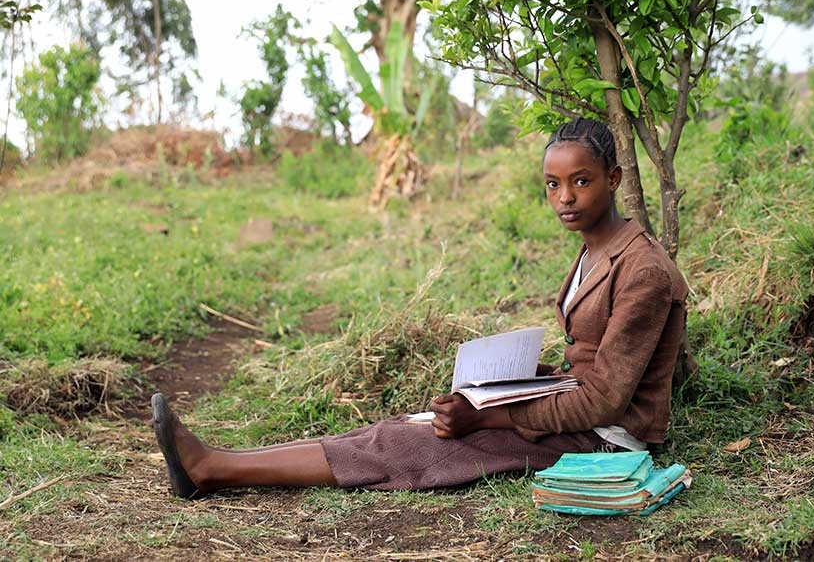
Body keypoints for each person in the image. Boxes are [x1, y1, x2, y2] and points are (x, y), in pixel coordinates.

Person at [152, 117, 690, 497]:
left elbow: (605, 403)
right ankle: (222, 462)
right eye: (553, 185)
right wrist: (509, 383)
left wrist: (492, 414)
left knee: (408, 442)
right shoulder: (595, 249)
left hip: (606, 440)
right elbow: (589, 364)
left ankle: (213, 470)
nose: (565, 198)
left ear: (614, 179)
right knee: (407, 423)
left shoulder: (641, 269)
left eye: (581, 181)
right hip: (570, 408)